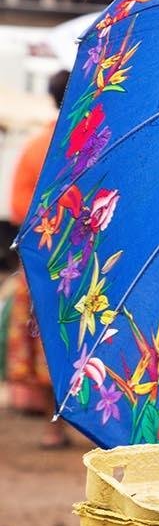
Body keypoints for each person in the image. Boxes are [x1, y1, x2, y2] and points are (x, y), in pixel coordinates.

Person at [6, 69, 71, 448]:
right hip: (89, 264)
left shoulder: (36, 148)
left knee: (46, 337)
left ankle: (54, 426)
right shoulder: (91, 144)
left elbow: (18, 209)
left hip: (44, 263)